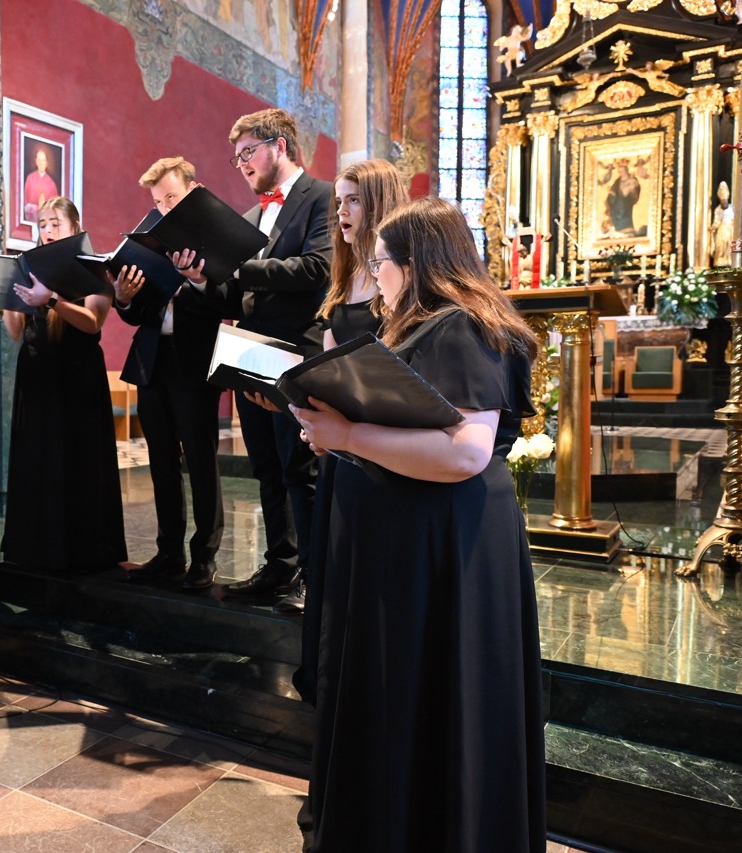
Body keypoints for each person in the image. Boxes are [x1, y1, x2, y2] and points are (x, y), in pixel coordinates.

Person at [293, 197, 545, 851]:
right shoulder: (428, 326)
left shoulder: (459, 327)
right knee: (410, 699)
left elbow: (465, 453)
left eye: (380, 262)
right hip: (417, 539)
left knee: (435, 698)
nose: (373, 274)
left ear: (415, 264)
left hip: (444, 544)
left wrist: (348, 434)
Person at [175, 108, 333, 599]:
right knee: (265, 466)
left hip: (298, 348)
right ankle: (279, 566)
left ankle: (314, 576)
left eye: (248, 152)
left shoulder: (321, 196)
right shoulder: (248, 219)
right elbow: (233, 299)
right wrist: (202, 279)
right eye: (237, 156)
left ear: (279, 145)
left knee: (300, 470)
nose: (241, 163)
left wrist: (239, 268)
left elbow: (316, 269)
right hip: (250, 350)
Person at [275, 159, 405, 637]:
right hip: (343, 437)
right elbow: (331, 357)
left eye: (353, 200)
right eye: (338, 201)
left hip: (382, 433)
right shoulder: (346, 272)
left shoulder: (400, 276)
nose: (341, 211)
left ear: (380, 204)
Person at [0, 196, 126, 571]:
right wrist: (9, 297)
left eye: (56, 223)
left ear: (75, 227)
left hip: (76, 376)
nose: (48, 231)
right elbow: (15, 332)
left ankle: (82, 548)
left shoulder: (91, 267)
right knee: (37, 458)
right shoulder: (30, 268)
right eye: (42, 224)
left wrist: (52, 299)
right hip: (36, 376)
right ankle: (35, 546)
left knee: (76, 460)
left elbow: (92, 322)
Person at [117, 157, 224, 589]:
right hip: (152, 359)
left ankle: (204, 557)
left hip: (194, 361)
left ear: (193, 191)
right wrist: (125, 297)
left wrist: (197, 280)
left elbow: (226, 299)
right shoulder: (151, 240)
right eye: (158, 202)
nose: (164, 208)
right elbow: (137, 314)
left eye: (171, 198)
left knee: (201, 461)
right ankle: (168, 552)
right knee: (160, 461)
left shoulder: (215, 237)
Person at [23, 148, 59, 222]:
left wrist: (44, 207)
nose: (41, 163)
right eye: (39, 160)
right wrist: (36, 208)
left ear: (46, 163)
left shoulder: (52, 184)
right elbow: (24, 205)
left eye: (43, 160)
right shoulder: (30, 179)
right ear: (36, 161)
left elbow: (56, 209)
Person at [710, 180, 734, 268]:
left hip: (730, 230)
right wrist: (713, 227)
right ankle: (720, 260)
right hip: (721, 230)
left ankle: (729, 259)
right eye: (722, 200)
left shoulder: (732, 208)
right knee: (720, 245)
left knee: (729, 245)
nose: (724, 201)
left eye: (725, 200)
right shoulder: (717, 209)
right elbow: (716, 221)